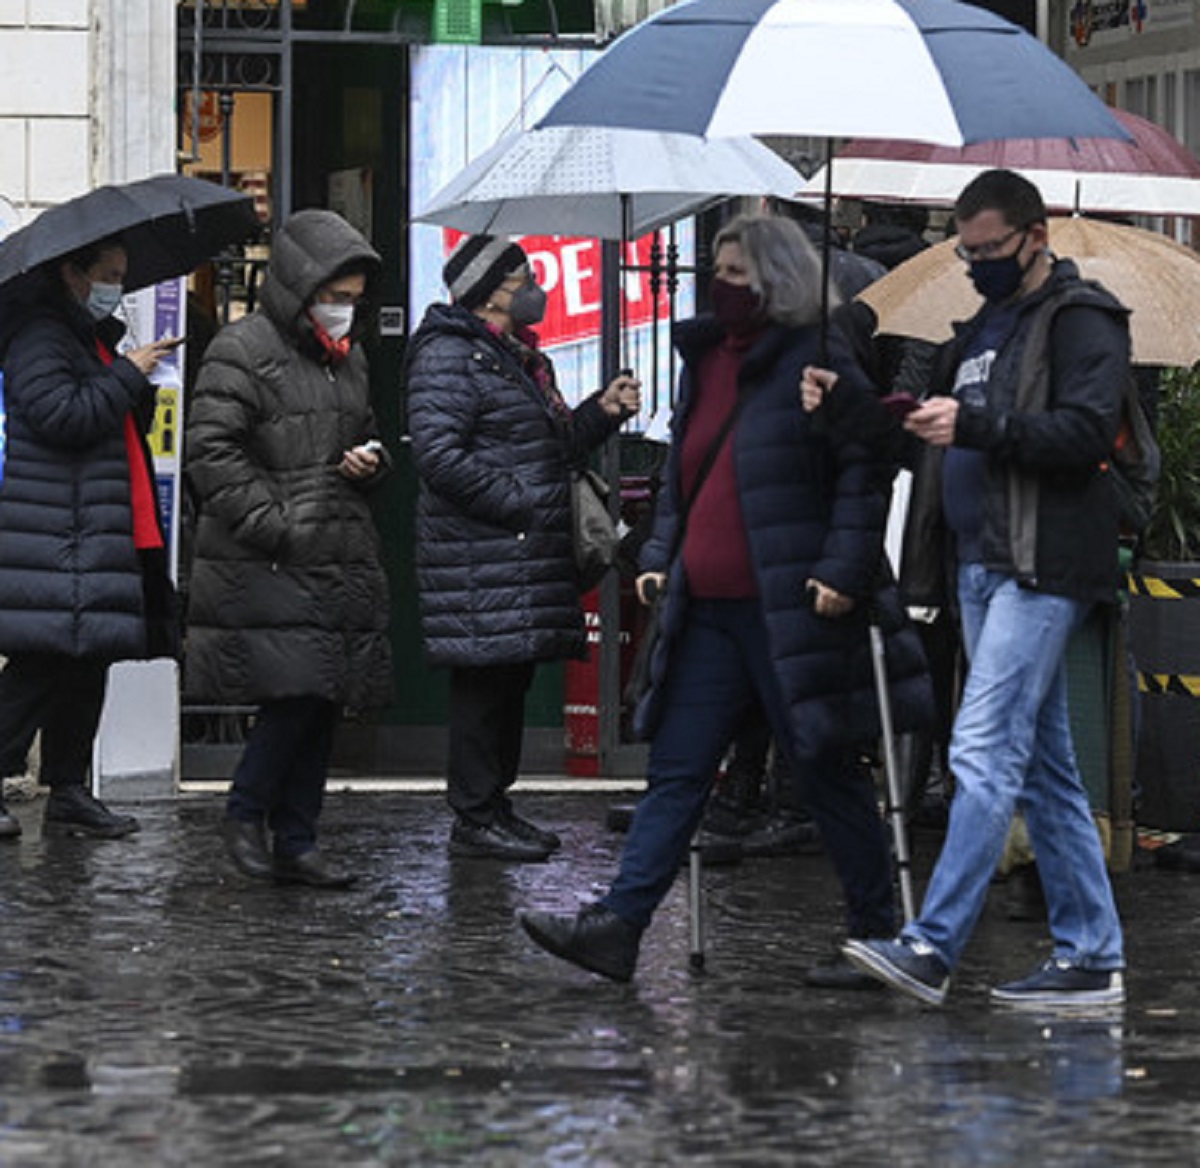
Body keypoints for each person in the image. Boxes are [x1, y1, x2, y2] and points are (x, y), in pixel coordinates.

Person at [520, 213, 930, 983]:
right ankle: (621, 924)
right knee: (677, 771)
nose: (723, 284)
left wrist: (843, 568)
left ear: (775, 279)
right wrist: (661, 551)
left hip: (788, 603)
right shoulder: (706, 360)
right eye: (718, 267)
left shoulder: (820, 354)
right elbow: (687, 471)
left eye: (738, 271)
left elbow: (866, 469)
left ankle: (879, 930)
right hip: (707, 604)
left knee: (823, 768)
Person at [805, 170, 1128, 1010]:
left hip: (1039, 565)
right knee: (1043, 768)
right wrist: (846, 403)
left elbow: (1090, 432)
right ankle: (1091, 952)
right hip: (983, 564)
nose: (976, 261)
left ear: (1034, 237)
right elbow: (918, 418)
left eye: (987, 249)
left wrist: (976, 424)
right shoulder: (985, 324)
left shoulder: (1082, 318)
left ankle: (934, 944)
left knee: (981, 749)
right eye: (965, 249)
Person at [405, 235, 641, 862]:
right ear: (495, 291)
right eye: (526, 277)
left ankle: (495, 808)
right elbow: (438, 455)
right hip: (481, 554)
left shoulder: (516, 358)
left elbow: (552, 448)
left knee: (507, 681)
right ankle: (475, 816)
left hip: (516, 554)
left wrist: (599, 413)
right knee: (484, 687)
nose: (538, 287)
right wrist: (518, 502)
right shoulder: (450, 357)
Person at [185, 209, 393, 889]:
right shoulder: (243, 348)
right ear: (304, 287)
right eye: (336, 297)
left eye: (355, 300)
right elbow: (210, 451)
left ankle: (296, 837)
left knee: (323, 694)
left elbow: (361, 433)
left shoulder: (350, 358)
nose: (344, 312)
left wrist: (372, 462)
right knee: (295, 692)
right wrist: (277, 521)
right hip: (269, 552)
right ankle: (246, 814)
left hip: (334, 550)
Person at [0, 235, 180, 839]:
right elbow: (61, 415)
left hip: (99, 524)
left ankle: (69, 789)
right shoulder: (39, 336)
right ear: (73, 273)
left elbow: (107, 419)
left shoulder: (89, 338)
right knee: (39, 664)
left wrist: (135, 383)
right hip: (56, 528)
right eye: (109, 274)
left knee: (87, 662)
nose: (117, 288)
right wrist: (128, 375)